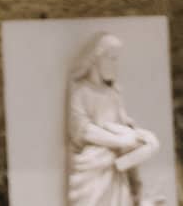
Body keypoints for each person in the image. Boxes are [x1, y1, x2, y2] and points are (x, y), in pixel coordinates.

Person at [64, 32, 161, 206]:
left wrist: (139, 135)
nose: (115, 64)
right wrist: (120, 140)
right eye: (112, 58)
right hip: (92, 170)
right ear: (96, 59)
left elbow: (123, 124)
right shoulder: (81, 92)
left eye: (116, 59)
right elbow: (83, 130)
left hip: (116, 168)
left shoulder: (113, 94)